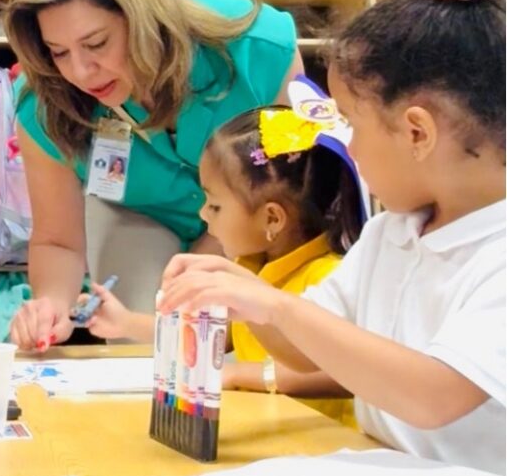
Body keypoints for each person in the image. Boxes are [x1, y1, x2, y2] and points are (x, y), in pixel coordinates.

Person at [158, 0, 506, 474]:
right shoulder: (394, 232)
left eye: (352, 122)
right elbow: (303, 345)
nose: (347, 145)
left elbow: (434, 394)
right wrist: (237, 292)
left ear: (417, 132)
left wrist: (270, 304)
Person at [4, 0, 303, 351]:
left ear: (146, 17)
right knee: (140, 343)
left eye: (97, 43)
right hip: (138, 214)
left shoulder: (261, 50)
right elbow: (58, 240)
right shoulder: (43, 100)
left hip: (257, 214)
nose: (81, 72)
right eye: (59, 51)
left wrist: (211, 255)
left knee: (238, 341)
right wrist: (51, 306)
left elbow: (295, 190)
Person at [77, 99, 366, 426]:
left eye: (214, 206)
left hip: (326, 448)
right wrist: (125, 322)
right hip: (268, 433)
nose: (203, 215)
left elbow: (343, 375)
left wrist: (242, 374)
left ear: (271, 218)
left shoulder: (329, 279)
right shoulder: (250, 268)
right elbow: (209, 332)